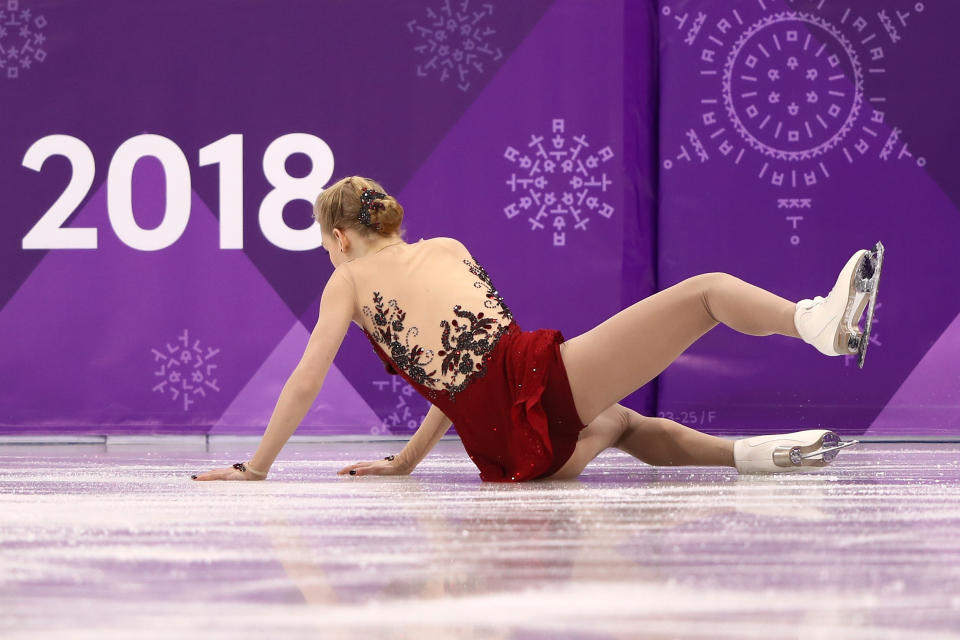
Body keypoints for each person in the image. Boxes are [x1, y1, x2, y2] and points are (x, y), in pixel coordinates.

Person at [192, 177, 881, 482]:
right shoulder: (447, 248)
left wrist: (258, 467)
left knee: (618, 423)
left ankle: (755, 456)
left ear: (339, 237)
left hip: (505, 451)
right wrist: (402, 461)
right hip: (521, 404)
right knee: (703, 294)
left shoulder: (345, 280)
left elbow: (447, 382)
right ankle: (814, 324)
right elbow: (494, 359)